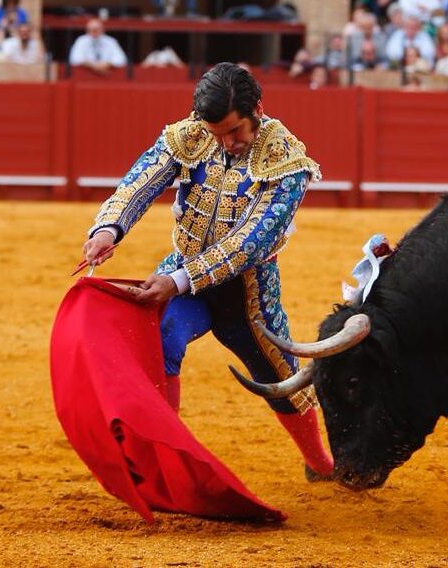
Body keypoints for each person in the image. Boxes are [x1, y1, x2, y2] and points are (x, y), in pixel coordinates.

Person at [80, 63, 335, 481]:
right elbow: (140, 181)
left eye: (234, 131)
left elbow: (250, 243)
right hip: (182, 279)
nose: (226, 143)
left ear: (257, 110)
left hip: (248, 294)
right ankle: (165, 462)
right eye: (217, 134)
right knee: (161, 341)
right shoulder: (193, 134)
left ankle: (320, 462)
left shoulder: (285, 159)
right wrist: (109, 228)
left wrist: (177, 280)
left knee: (282, 379)